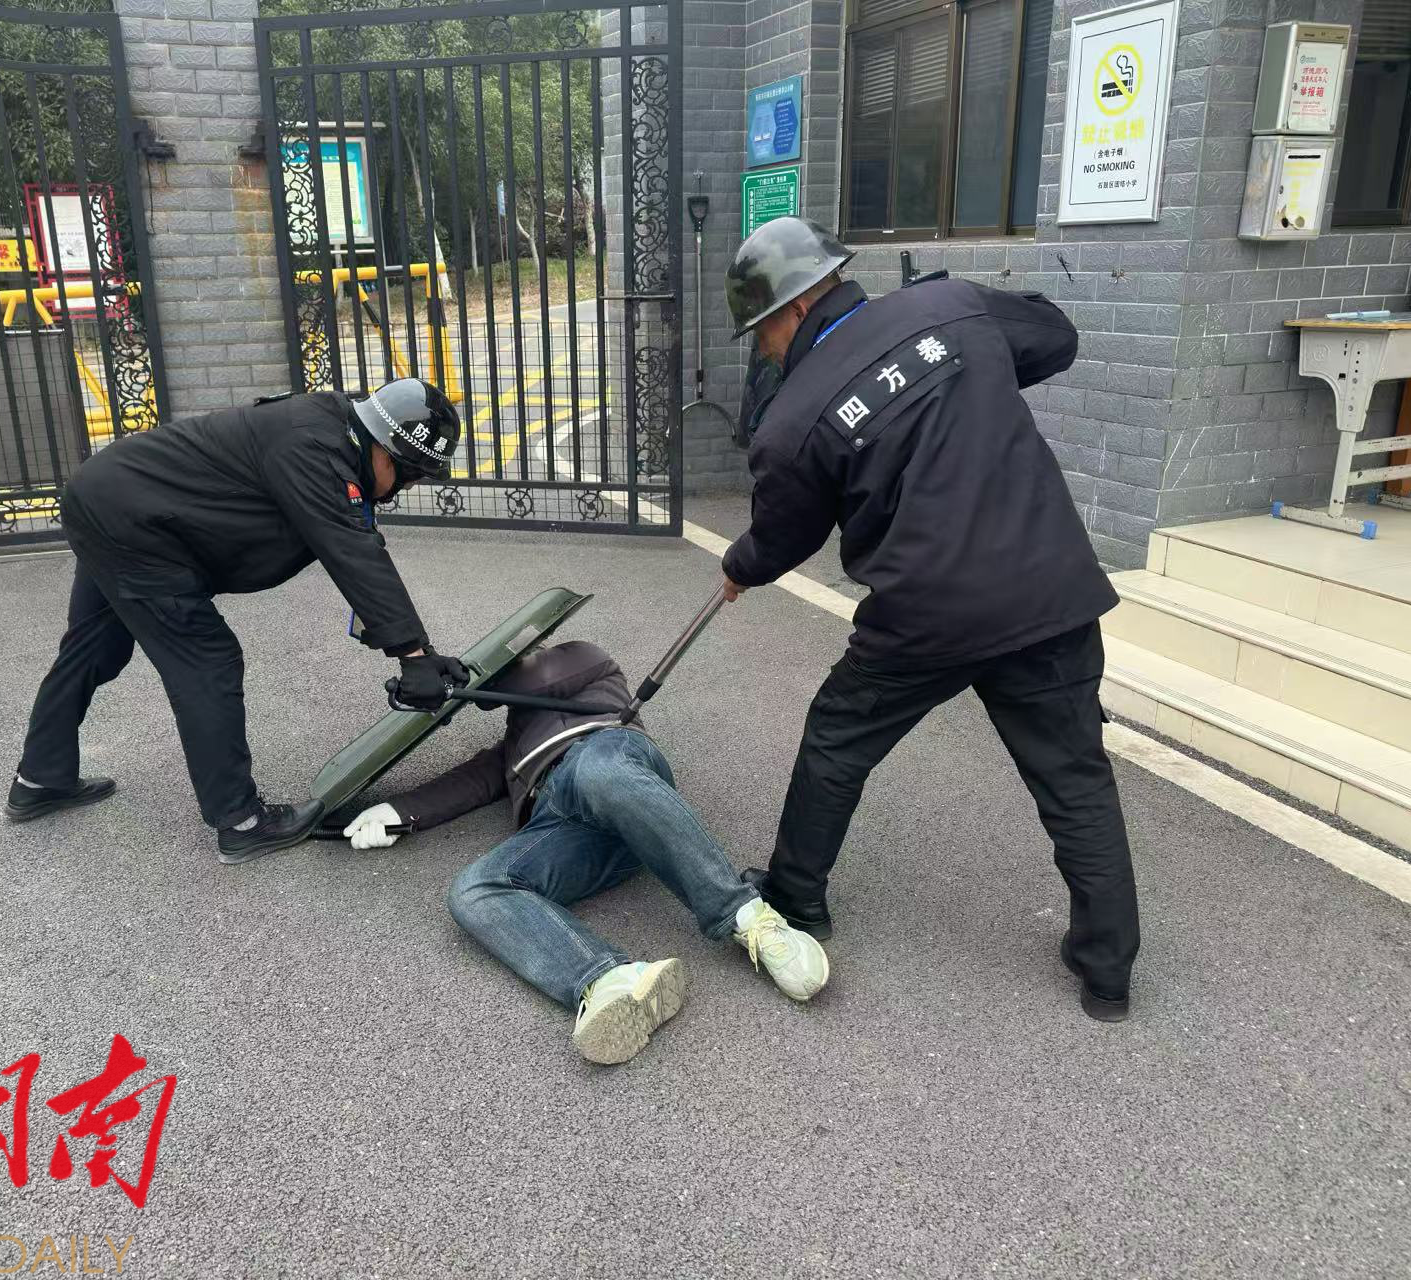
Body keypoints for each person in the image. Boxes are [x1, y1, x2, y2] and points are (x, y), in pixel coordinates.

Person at [718, 216, 1139, 1022]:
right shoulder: (950, 310)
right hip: (1045, 590)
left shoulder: (793, 418)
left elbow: (783, 535)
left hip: (923, 616)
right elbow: (1053, 337)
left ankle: (796, 898)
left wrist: (740, 567)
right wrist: (968, 377)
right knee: (1073, 778)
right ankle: (1107, 971)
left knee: (836, 740)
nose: (763, 352)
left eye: (761, 332)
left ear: (797, 306)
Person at [6, 378, 470, 865]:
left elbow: (356, 545)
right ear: (385, 449)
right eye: (409, 476)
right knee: (206, 660)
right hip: (135, 525)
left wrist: (420, 652)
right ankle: (242, 821)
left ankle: (40, 778)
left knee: (94, 647)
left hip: (109, 497)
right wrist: (412, 656)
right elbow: (354, 552)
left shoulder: (332, 432)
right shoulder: (314, 451)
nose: (405, 488)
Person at [342, 639, 830, 1064]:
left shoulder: (585, 662)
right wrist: (397, 811)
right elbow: (472, 780)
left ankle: (748, 919)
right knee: (474, 889)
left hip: (613, 764)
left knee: (599, 772)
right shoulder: (514, 740)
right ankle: (610, 981)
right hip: (570, 824)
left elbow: (540, 676)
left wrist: (464, 680)